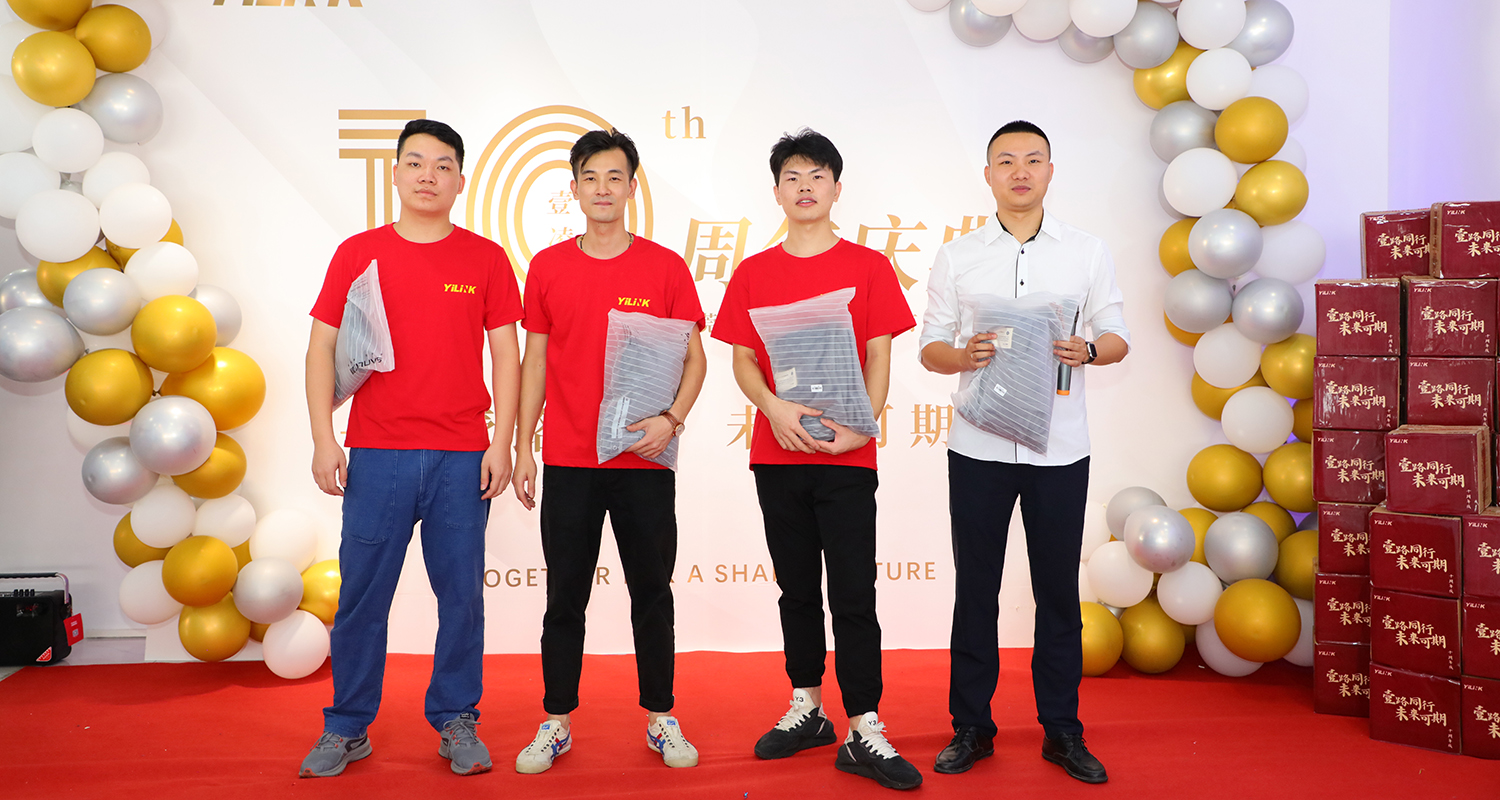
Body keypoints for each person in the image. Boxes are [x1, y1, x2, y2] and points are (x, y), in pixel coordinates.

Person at [300, 119, 523, 778]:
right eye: (417, 163)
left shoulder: (485, 258)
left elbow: (506, 356)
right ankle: (346, 725)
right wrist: (323, 438)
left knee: (462, 599)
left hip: (461, 456)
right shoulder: (358, 253)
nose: (429, 175)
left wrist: (503, 442)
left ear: (461, 180)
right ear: (395, 173)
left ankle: (456, 719)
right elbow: (320, 347)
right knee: (362, 597)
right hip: (378, 453)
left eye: (443, 165)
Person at [918, 120, 1129, 784]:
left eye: (1033, 160)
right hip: (977, 447)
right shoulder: (959, 256)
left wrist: (1088, 349)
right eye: (1006, 161)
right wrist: (965, 355)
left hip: (1059, 450)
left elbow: (1117, 335)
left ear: (1050, 172)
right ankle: (971, 728)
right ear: (987, 175)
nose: (1020, 171)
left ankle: (1062, 731)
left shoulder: (1086, 252)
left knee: (1057, 593)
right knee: (975, 591)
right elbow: (930, 347)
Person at [712, 129, 922, 791]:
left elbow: (880, 356)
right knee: (797, 589)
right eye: (792, 178)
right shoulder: (754, 272)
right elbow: (743, 360)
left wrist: (863, 431)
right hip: (777, 455)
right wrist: (773, 409)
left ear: (836, 187)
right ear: (776, 191)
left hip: (848, 458)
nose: (805, 188)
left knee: (854, 593)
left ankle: (864, 724)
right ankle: (807, 706)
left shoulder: (869, 267)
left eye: (817, 176)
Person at [510, 128, 708, 774]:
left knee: (652, 591)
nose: (602, 188)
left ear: (631, 187)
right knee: (565, 596)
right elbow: (535, 363)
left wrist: (671, 420)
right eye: (590, 177)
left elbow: (695, 358)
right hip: (570, 460)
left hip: (643, 460)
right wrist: (523, 446)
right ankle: (556, 720)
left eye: (614, 177)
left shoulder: (664, 268)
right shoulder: (548, 267)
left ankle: (661, 716)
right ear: (574, 189)